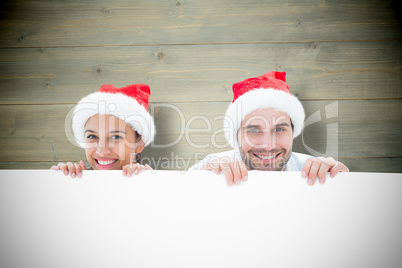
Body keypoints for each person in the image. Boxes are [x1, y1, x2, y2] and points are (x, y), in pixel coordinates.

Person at [189, 71, 349, 186]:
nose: (268, 145)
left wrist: (345, 186)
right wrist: (201, 181)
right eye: (254, 130)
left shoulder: (317, 174)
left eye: (279, 129)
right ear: (237, 135)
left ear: (292, 132)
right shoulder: (211, 167)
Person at [51, 83, 156, 178]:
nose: (101, 151)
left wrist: (146, 183)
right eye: (92, 136)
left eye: (115, 137)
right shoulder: (73, 183)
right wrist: (65, 184)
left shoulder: (155, 187)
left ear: (139, 144)